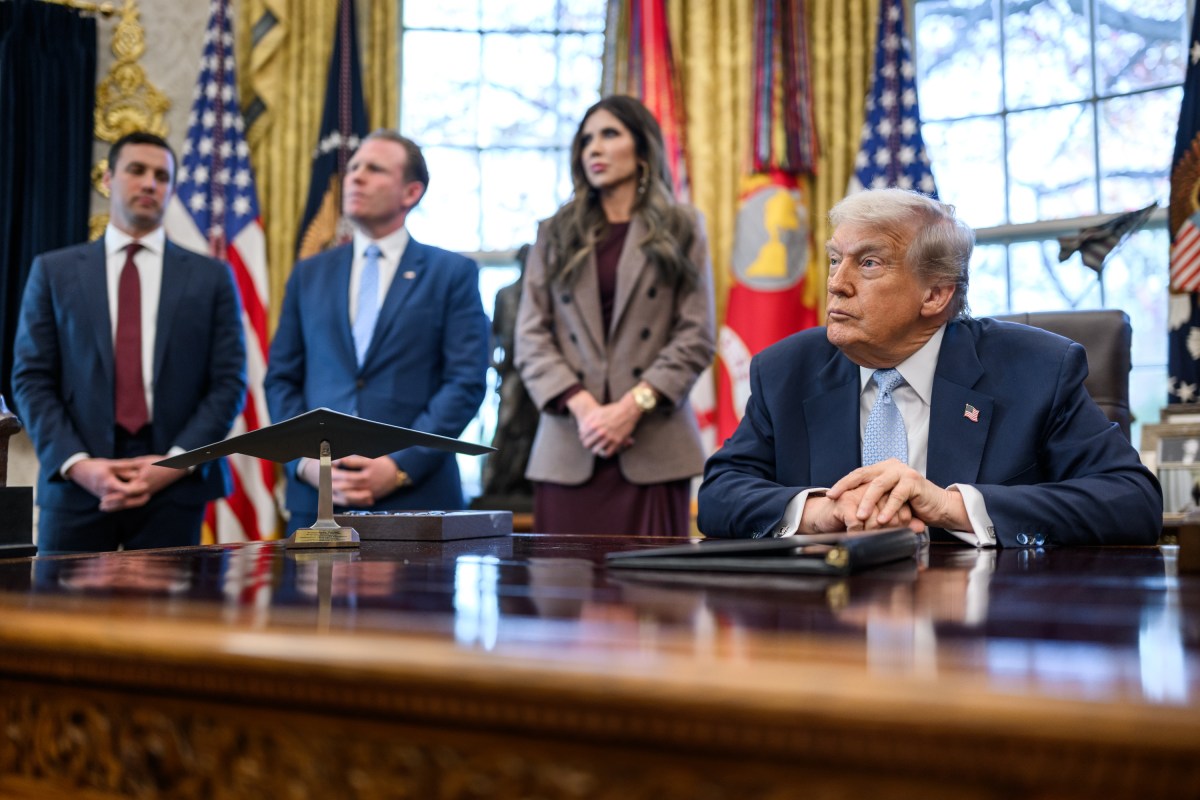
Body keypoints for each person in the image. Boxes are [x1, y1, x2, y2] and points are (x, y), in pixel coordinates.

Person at [698, 188, 1162, 547]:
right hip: (832, 634)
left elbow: (1132, 501)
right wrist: (819, 511)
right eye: (836, 260)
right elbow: (719, 494)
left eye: (870, 263)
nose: (836, 284)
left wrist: (949, 505)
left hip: (982, 631)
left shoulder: (1038, 369)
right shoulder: (787, 369)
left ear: (935, 295)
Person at [12, 131, 247, 554]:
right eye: (136, 171)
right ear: (108, 179)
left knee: (169, 621)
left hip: (176, 486)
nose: (149, 183)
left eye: (161, 175)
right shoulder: (54, 272)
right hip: (76, 486)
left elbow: (228, 383)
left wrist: (173, 464)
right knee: (64, 618)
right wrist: (79, 465)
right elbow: (31, 378)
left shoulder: (211, 277)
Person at [265, 130, 488, 532]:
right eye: (353, 168)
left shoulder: (451, 274)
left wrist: (401, 466)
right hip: (316, 502)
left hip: (417, 501)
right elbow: (282, 377)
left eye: (374, 168)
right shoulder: (309, 274)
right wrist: (305, 462)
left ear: (411, 192)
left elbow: (465, 383)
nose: (355, 177)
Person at [514, 95, 716, 537]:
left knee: (653, 602)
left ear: (642, 149)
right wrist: (587, 411)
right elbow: (530, 336)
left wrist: (631, 407)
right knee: (562, 598)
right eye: (586, 140)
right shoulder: (555, 231)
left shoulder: (683, 226)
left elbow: (696, 333)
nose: (594, 149)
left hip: (653, 443)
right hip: (570, 445)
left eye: (609, 135)